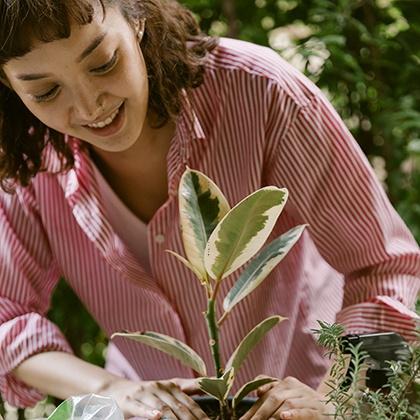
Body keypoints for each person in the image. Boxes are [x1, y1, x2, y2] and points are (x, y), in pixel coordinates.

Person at [0, 0, 419, 418]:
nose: (91, 105)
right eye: (46, 91)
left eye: (104, 63)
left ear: (138, 18)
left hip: (310, 386)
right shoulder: (26, 155)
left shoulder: (260, 92)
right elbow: (7, 317)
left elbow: (385, 269)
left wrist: (334, 402)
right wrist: (111, 389)